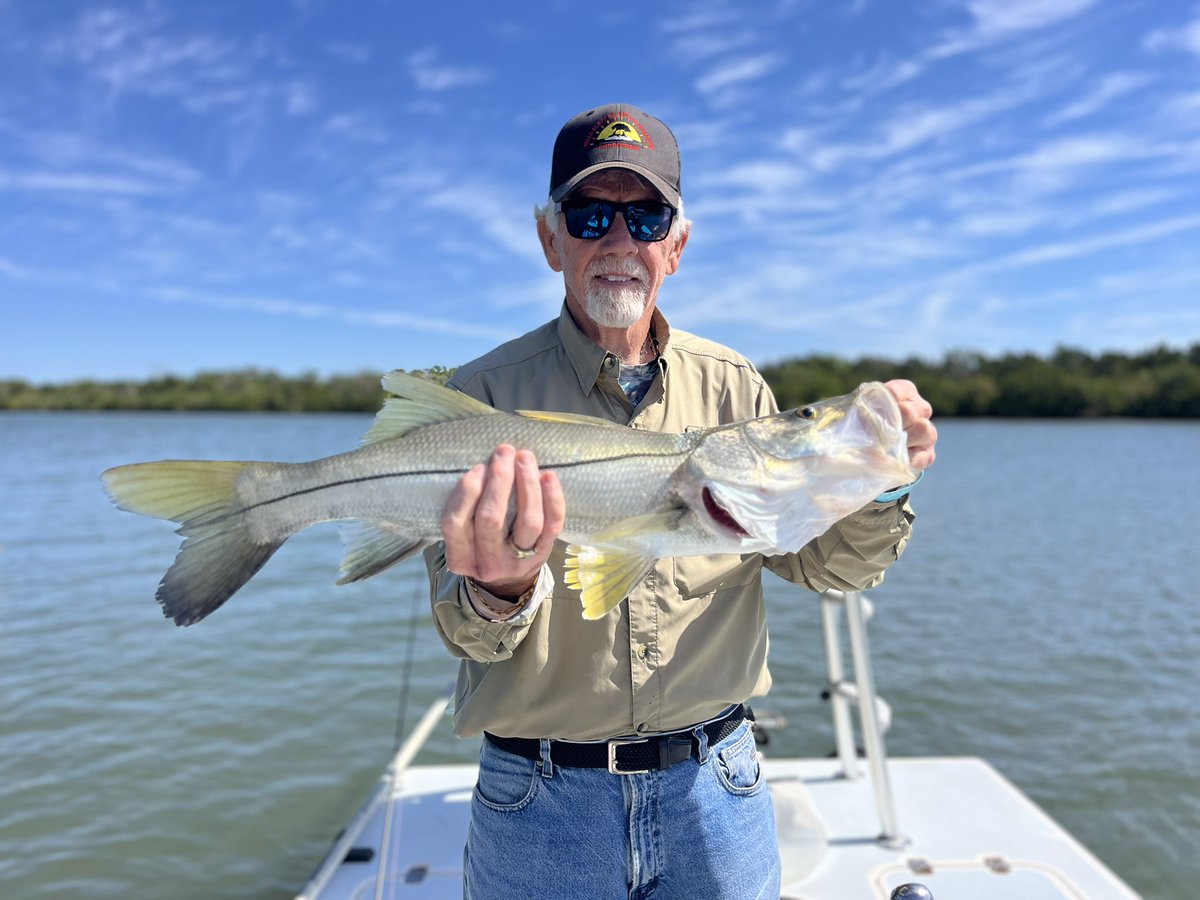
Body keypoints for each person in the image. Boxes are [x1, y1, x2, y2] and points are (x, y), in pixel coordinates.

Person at [424, 103, 937, 899]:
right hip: (537, 800)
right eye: (592, 215)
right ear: (550, 238)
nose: (620, 241)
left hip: (716, 790)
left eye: (647, 215)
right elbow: (466, 634)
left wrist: (877, 480)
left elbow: (833, 568)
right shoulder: (481, 397)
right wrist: (497, 591)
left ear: (678, 244)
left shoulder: (736, 387)